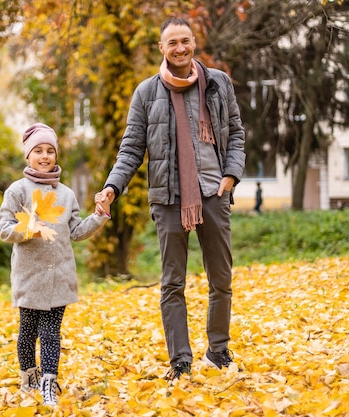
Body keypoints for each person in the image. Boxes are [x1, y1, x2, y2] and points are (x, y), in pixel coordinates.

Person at [96, 17, 246, 380]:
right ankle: (180, 360)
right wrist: (112, 186)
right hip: (168, 199)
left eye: (185, 40)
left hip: (213, 193)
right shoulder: (147, 93)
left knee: (221, 279)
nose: (180, 48)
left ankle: (218, 351)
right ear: (161, 49)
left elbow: (237, 133)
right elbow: (131, 148)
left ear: (194, 43)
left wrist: (230, 176)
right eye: (172, 43)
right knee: (172, 283)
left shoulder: (218, 83)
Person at [0, 123, 110, 406]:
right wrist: (27, 230)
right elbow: (3, 228)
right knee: (27, 334)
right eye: (38, 150)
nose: (45, 156)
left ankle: (49, 382)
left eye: (50, 151)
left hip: (60, 276)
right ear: (28, 156)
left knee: (51, 333)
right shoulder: (17, 191)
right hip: (29, 276)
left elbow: (76, 231)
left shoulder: (66, 194)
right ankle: (29, 377)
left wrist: (99, 216)